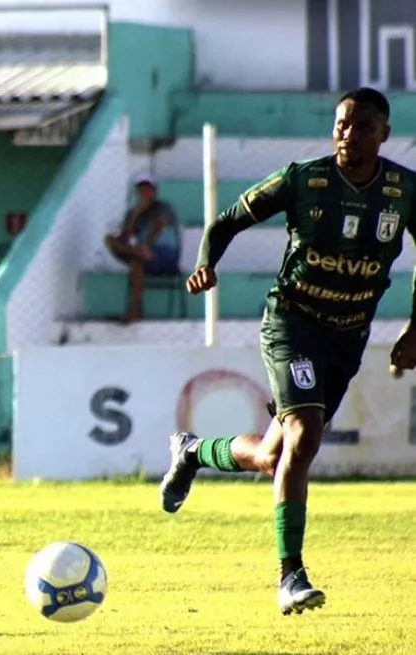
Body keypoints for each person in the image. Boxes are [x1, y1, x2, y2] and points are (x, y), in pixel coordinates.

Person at [159, 87, 416, 616]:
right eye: (342, 124)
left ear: (384, 134)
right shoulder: (305, 179)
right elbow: (228, 219)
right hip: (292, 323)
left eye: (363, 126)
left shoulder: (403, 190)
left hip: (348, 335)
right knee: (305, 433)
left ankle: (191, 451)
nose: (349, 134)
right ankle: (290, 575)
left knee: (275, 456)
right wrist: (208, 262)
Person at [103, 173, 181, 323]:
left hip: (165, 255)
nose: (145, 193)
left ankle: (135, 310)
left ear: (155, 191)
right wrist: (135, 215)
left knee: (137, 259)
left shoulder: (162, 208)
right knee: (112, 241)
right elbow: (124, 239)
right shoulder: (132, 213)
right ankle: (138, 253)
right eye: (141, 189)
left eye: (148, 189)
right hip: (140, 253)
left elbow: (160, 227)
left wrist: (148, 247)